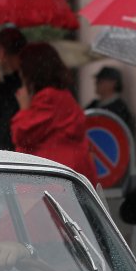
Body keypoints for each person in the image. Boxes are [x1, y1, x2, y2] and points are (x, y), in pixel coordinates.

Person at [11, 42, 96, 181]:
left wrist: (24, 109)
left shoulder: (48, 98)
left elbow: (24, 134)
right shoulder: (63, 96)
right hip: (67, 175)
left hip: (52, 180)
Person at [0, 26, 26, 151]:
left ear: (1, 52)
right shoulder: (22, 78)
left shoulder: (22, 82)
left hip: (16, 154)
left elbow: (8, 124)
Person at [85, 65, 135, 137]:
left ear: (113, 83)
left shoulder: (121, 109)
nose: (96, 83)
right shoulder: (92, 105)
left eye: (101, 80)